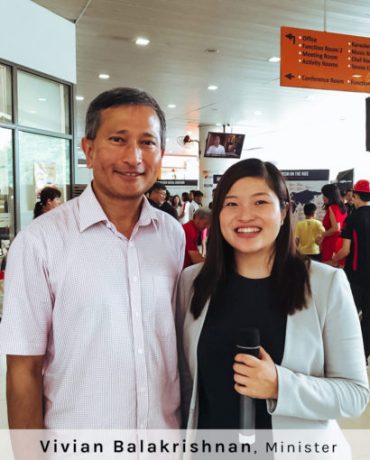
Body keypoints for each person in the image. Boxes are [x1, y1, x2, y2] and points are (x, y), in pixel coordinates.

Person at [0, 87, 185, 429]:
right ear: (88, 149)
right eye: (118, 139)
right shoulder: (40, 242)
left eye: (148, 142)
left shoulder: (170, 234)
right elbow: (23, 369)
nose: (134, 157)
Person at [177, 158, 368, 434]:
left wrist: (280, 385)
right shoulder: (193, 282)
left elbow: (354, 395)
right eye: (231, 204)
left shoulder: (325, 285)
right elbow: (187, 385)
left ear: (283, 211)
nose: (245, 216)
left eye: (260, 202)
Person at [332, 180, 370, 363]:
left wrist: (332, 259)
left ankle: (348, 356)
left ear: (355, 196)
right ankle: (363, 357)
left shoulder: (352, 218)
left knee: (348, 315)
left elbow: (345, 251)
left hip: (355, 276)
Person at [318, 183, 347, 267]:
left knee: (327, 270)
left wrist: (322, 235)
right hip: (340, 242)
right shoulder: (342, 207)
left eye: (324, 195)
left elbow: (335, 228)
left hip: (331, 242)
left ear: (330, 196)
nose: (323, 197)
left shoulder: (332, 208)